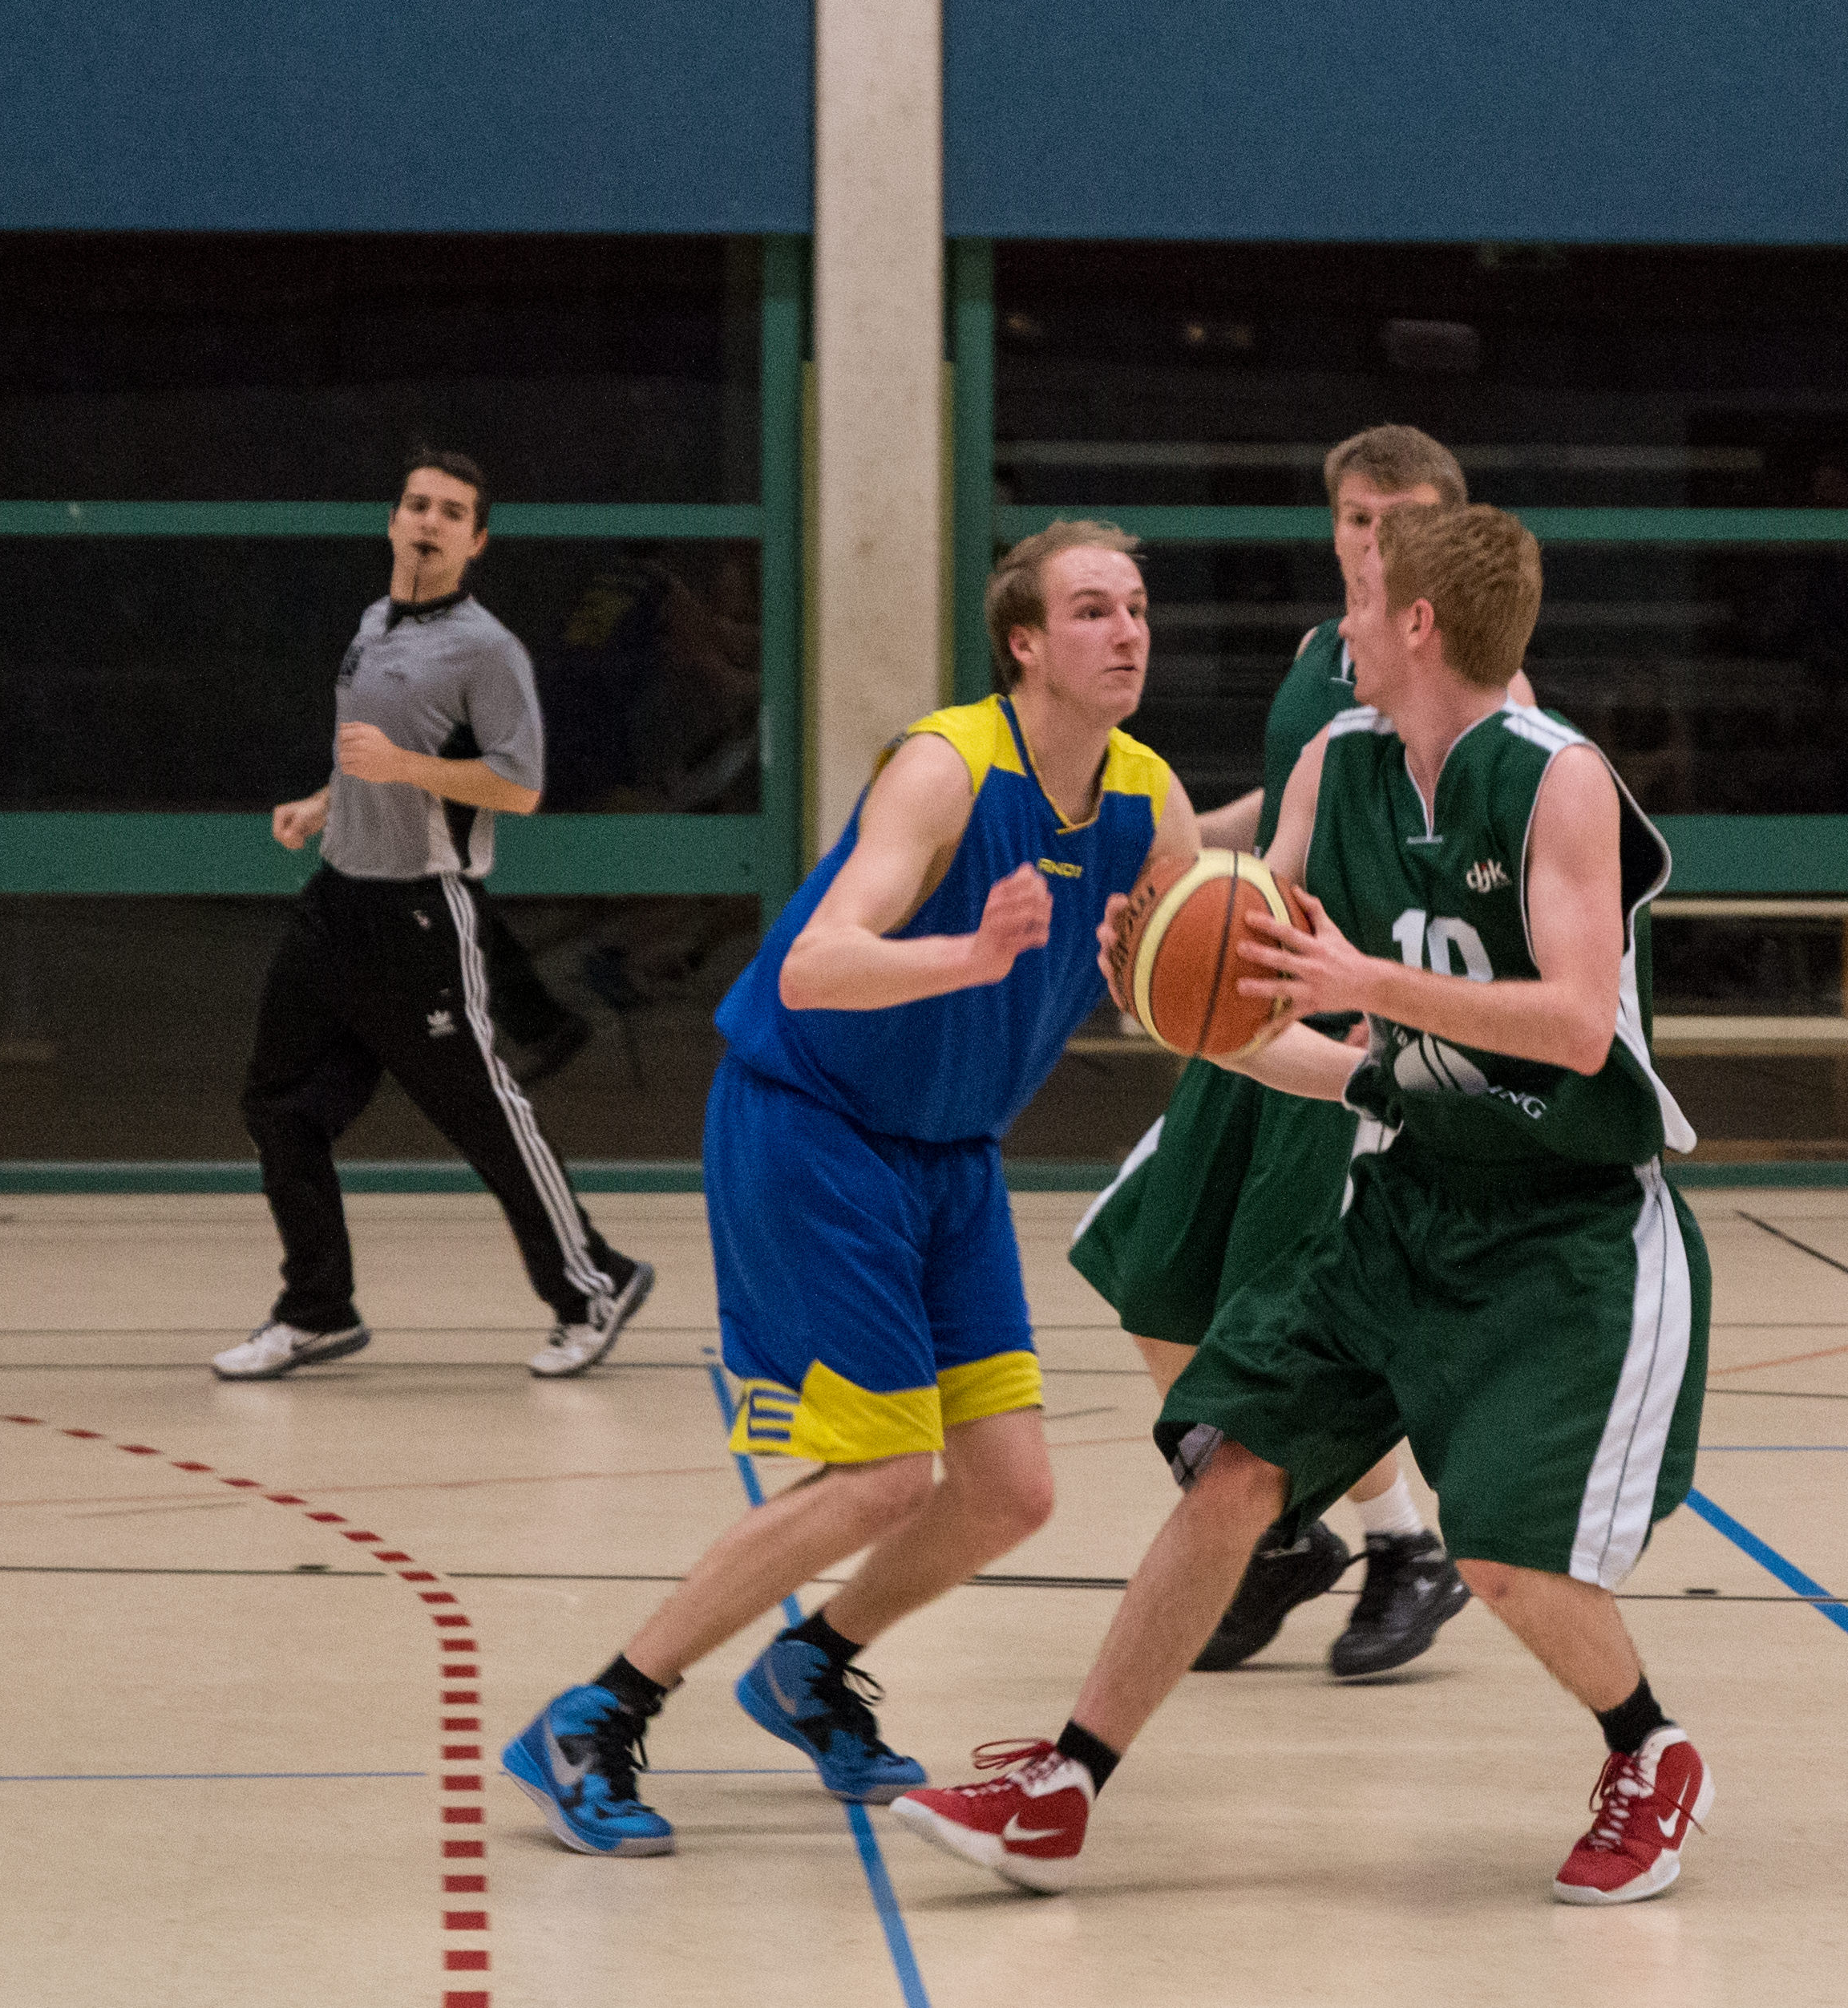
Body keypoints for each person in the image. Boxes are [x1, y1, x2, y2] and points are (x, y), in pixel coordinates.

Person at [898, 504, 1714, 1908]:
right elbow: (1268, 994)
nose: (1344, 619)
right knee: (1233, 1471)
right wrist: (1161, 978)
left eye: (1367, 597)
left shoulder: (1555, 778)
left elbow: (1578, 1024)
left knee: (1501, 1553)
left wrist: (1366, 984)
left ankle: (1649, 1748)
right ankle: (1063, 1785)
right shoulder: (1340, 761)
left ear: (1419, 624)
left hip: (1567, 1224)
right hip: (1404, 1195)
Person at [503, 522, 1201, 1857]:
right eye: (1092, 609)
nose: (1127, 631)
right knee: (883, 1475)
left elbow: (1199, 975)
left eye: (1135, 607)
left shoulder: (1143, 794)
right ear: (1024, 642)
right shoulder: (946, 766)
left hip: (951, 1152)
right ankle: (596, 1713)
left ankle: (809, 1666)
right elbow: (813, 961)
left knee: (1008, 1489)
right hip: (812, 1125)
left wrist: (1352, 1045)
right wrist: (969, 954)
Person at [1074, 426, 1517, 1676]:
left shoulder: (1484, 686)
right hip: (1255, 1006)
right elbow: (1286, 812)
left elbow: (1485, 873)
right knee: (1147, 1269)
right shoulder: (1321, 652)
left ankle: (1402, 1543)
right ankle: (1278, 1536)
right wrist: (1167, 879)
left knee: (1288, 1311)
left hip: (1350, 1029)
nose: (1376, 538)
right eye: (1358, 515)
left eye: (1404, 517)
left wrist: (1421, 1008)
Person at [212, 451, 653, 1382]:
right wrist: (324, 801)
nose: (429, 520)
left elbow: (520, 786)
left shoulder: (487, 649)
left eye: (452, 512)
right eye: (417, 504)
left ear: (476, 541)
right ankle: (317, 1306)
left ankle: (593, 1283)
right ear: (392, 520)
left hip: (419, 913)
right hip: (334, 904)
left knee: (483, 1112)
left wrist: (404, 770)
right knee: (277, 1104)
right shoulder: (374, 621)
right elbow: (371, 754)